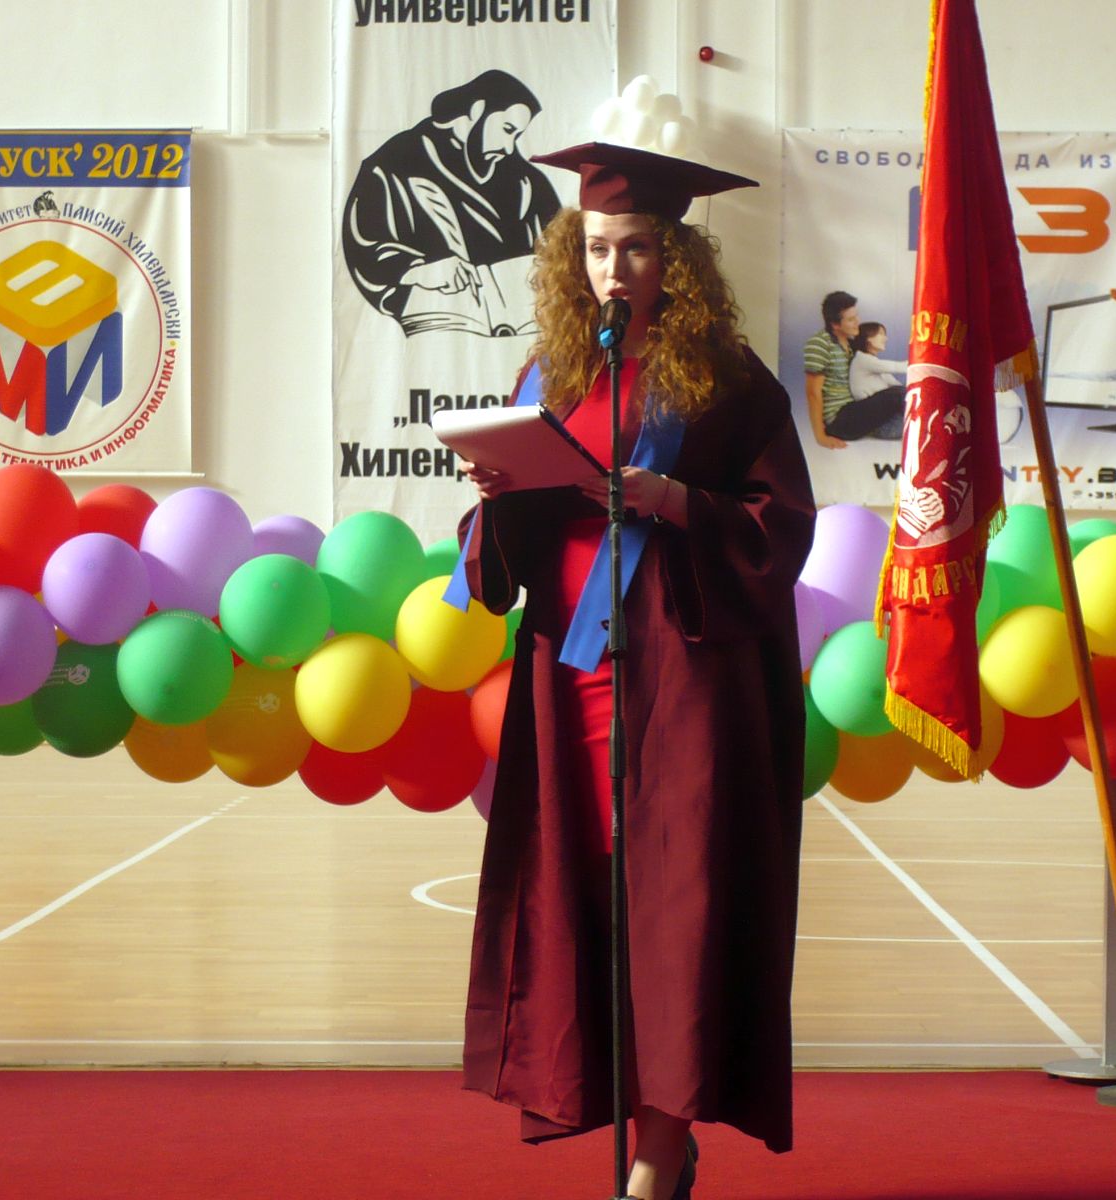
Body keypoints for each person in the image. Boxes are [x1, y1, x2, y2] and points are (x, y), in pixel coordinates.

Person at [447, 142, 815, 1200]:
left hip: (684, 683)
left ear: (676, 257)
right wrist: (496, 493)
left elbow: (780, 528)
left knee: (678, 911)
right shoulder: (550, 375)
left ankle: (662, 1144)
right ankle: (624, 1110)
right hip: (570, 679)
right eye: (599, 249)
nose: (616, 270)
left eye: (638, 249)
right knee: (592, 904)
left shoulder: (730, 384)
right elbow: (503, 550)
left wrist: (674, 501)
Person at [341, 69, 562, 337]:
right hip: (443, 321)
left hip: (523, 325)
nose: (508, 147)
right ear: (477, 110)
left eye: (516, 136)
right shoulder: (394, 164)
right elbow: (366, 246)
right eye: (507, 130)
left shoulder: (526, 180)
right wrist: (419, 271)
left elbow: (559, 246)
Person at [802, 290, 860, 448]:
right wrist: (820, 437)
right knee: (896, 396)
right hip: (838, 417)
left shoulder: (852, 344)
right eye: (851, 319)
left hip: (855, 410)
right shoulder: (820, 343)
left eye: (857, 316)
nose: (857, 322)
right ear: (835, 324)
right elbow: (813, 392)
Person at [842, 321, 909, 441]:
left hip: (886, 418)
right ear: (868, 338)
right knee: (906, 396)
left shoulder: (875, 365)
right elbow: (897, 367)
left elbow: (897, 385)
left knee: (909, 392)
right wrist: (921, 361)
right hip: (881, 426)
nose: (886, 338)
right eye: (881, 334)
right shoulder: (862, 360)